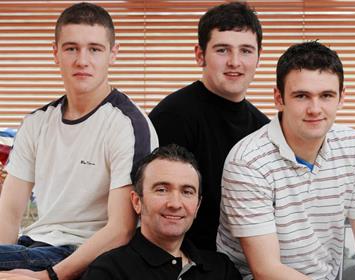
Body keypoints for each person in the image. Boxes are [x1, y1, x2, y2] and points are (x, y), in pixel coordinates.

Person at [0, 2, 158, 280]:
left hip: (84, 255)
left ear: (113, 54)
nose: (82, 60)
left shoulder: (127, 125)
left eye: (94, 49)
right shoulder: (36, 122)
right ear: (55, 53)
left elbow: (121, 229)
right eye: (71, 48)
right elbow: (10, 211)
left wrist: (47, 277)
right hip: (33, 247)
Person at [217, 41, 355, 280]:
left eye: (326, 96)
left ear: (341, 98)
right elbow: (266, 270)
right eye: (302, 96)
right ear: (279, 98)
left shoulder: (353, 147)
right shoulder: (248, 162)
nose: (315, 109)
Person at [149, 1, 269, 251]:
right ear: (200, 55)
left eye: (246, 50)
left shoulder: (264, 129)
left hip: (248, 260)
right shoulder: (172, 116)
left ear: (259, 57)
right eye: (222, 50)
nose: (235, 62)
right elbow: (158, 211)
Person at [80, 144, 242, 280]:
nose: (175, 204)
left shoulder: (222, 270)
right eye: (162, 190)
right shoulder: (108, 272)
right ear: (137, 201)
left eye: (187, 192)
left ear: (197, 206)